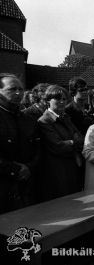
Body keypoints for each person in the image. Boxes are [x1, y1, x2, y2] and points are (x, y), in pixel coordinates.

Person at [0, 74, 40, 213]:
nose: (18, 93)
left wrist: (29, 167)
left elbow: (38, 148)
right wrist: (15, 169)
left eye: (20, 89)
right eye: (11, 89)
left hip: (27, 186)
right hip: (3, 187)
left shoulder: (28, 119)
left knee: (27, 228)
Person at [38, 85, 84, 201]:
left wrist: (71, 142)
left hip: (72, 167)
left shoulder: (65, 117)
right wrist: (74, 141)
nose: (62, 102)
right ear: (48, 100)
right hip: (58, 171)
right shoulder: (44, 121)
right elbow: (58, 146)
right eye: (58, 99)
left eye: (64, 99)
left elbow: (81, 138)